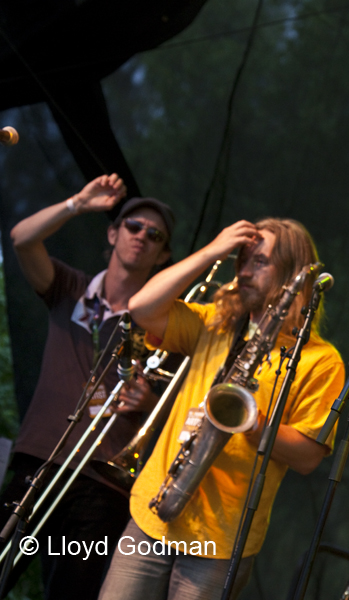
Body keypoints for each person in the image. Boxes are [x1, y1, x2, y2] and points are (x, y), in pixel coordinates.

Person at [97, 218, 345, 599]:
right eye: (240, 260)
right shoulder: (216, 322)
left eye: (259, 261)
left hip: (221, 540)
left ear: (294, 273)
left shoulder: (321, 360)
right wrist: (213, 250)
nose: (244, 271)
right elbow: (141, 307)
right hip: (151, 514)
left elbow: (309, 457)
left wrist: (250, 421)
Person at [2, 174, 175, 599]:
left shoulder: (165, 324)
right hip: (39, 461)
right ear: (114, 233)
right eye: (134, 227)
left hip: (103, 485)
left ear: (162, 255)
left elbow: (176, 406)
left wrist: (150, 401)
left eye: (155, 236)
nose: (142, 237)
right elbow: (22, 238)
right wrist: (77, 203)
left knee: (72, 594)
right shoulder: (71, 288)